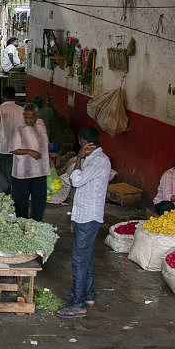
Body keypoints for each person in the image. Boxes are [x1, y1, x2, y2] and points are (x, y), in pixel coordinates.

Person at [57, 126, 111, 318]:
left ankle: (78, 304)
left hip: (89, 217)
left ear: (83, 142)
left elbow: (76, 181)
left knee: (79, 259)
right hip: (84, 215)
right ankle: (88, 295)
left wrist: (78, 158)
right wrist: (74, 218)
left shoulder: (99, 161)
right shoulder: (95, 160)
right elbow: (83, 192)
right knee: (87, 257)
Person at [10, 104, 50, 221]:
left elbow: (44, 144)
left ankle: (36, 224)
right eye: (26, 117)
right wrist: (30, 151)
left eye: (31, 117)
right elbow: (13, 149)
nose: (28, 120)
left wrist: (49, 159)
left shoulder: (41, 124)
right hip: (22, 173)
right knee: (21, 203)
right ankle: (22, 224)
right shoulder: (19, 128)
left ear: (37, 116)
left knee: (39, 202)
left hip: (40, 171)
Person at [0, 86, 24, 194]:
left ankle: (5, 186)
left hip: (0, 145)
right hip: (15, 145)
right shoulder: (21, 110)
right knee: (9, 167)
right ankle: (10, 190)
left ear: (3, 96)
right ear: (14, 96)